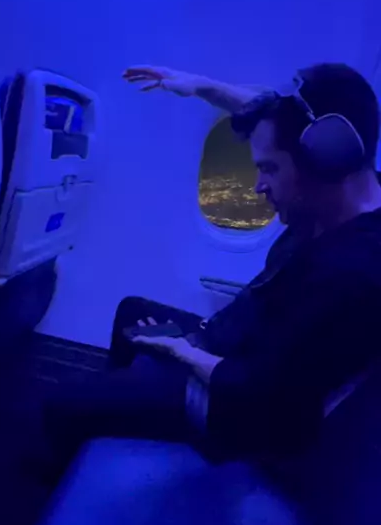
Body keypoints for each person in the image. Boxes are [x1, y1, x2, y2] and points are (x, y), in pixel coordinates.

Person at [44, 62, 381, 466]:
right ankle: (114, 424)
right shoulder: (349, 188)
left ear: (322, 163)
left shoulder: (350, 274)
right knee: (131, 313)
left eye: (269, 168)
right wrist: (202, 86)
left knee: (57, 405)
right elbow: (281, 120)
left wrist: (182, 352)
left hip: (235, 405)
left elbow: (265, 395)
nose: (258, 185)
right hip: (238, 346)